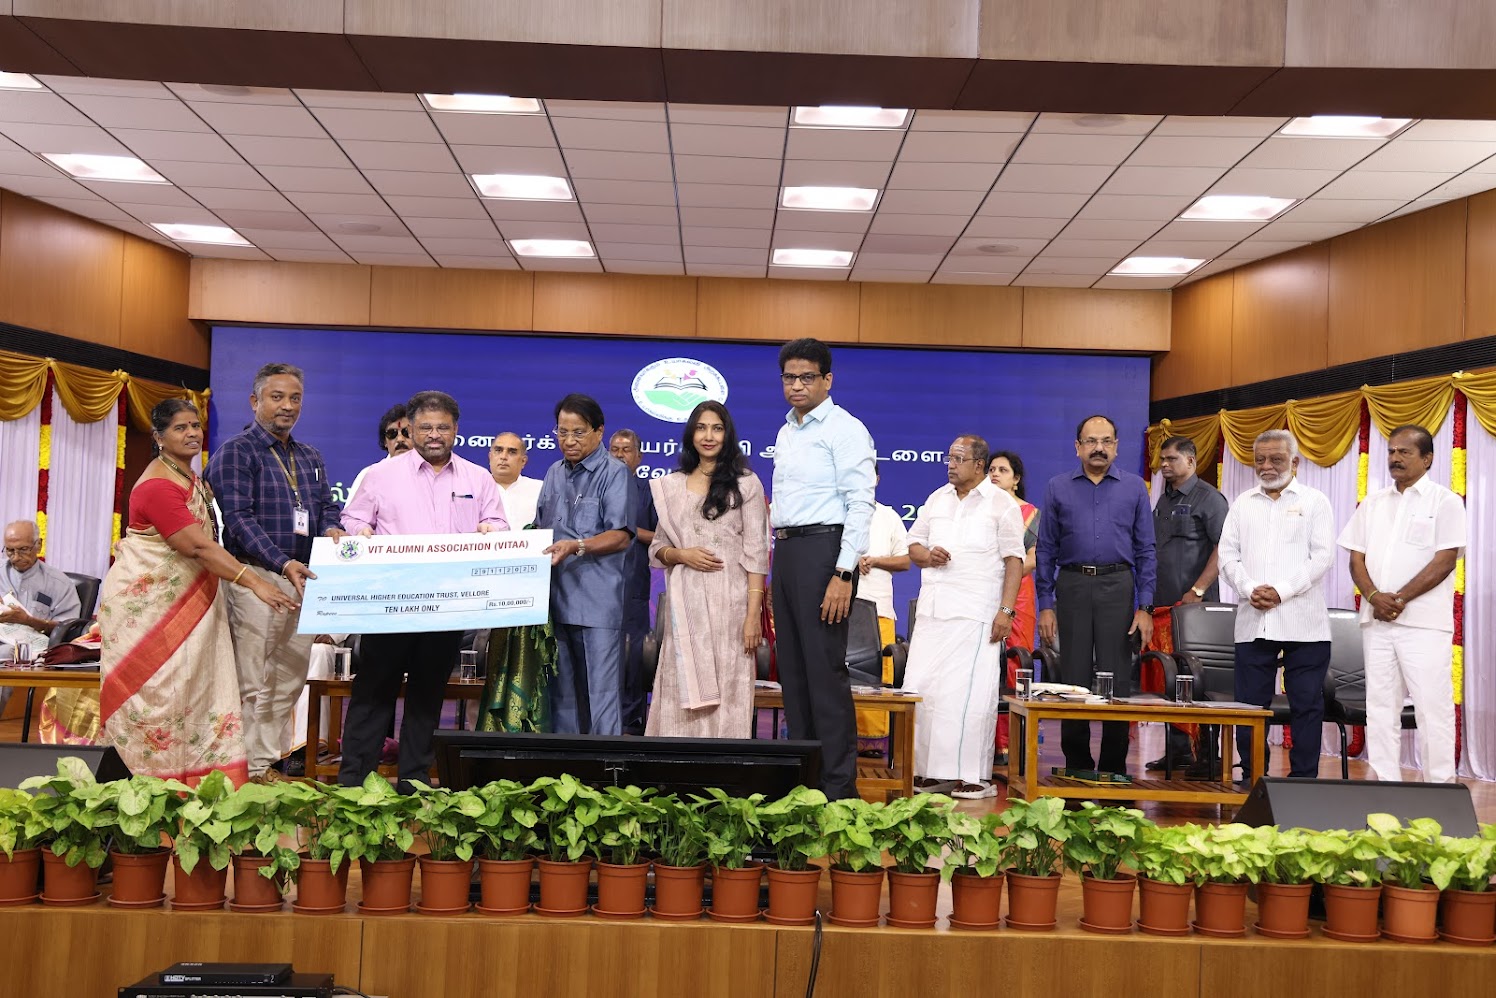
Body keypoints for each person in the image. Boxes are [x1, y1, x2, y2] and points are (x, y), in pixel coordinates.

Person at [99, 399, 298, 786]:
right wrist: (256, 582)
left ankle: (199, 786)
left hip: (194, 602)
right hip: (151, 608)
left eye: (195, 425)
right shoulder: (157, 485)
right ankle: (152, 788)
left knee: (193, 690)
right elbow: (198, 547)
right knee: (160, 693)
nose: (192, 433)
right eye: (180, 428)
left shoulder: (190, 478)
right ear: (158, 437)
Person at [340, 390, 505, 790]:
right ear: (410, 429)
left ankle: (413, 782)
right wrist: (360, 532)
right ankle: (355, 784)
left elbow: (499, 524)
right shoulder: (380, 475)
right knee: (373, 692)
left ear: (456, 430)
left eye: (442, 427)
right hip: (390, 604)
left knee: (427, 696)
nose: (434, 435)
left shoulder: (477, 478)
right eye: (426, 427)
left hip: (448, 606)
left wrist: (490, 530)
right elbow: (352, 518)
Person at [206, 363, 343, 783]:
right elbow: (238, 520)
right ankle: (232, 771)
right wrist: (282, 563)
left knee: (287, 680)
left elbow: (326, 507)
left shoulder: (309, 455)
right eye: (277, 397)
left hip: (304, 581)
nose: (287, 406)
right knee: (249, 681)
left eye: (295, 398)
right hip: (255, 578)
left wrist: (332, 528)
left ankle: (260, 766)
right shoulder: (237, 452)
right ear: (255, 401)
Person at [770, 337, 876, 801]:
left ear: (827, 380)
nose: (797, 385)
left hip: (824, 553)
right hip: (787, 551)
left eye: (807, 377)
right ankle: (804, 784)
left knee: (824, 674)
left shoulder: (845, 429)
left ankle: (838, 789)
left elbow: (860, 503)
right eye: (789, 377)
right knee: (793, 675)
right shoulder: (786, 431)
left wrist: (843, 572)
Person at [1338, 424, 1466, 784]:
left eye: (1404, 452)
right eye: (1392, 451)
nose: (1395, 458)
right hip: (1377, 623)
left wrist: (1399, 599)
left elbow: (1445, 560)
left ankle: (1440, 787)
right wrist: (1374, 597)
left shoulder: (1445, 502)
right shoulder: (1373, 503)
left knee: (1432, 708)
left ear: (1427, 459)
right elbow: (1356, 558)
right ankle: (1385, 785)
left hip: (1424, 624)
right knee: (1380, 707)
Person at [905, 435, 1025, 799]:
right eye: (949, 458)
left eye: (958, 459)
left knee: (969, 698)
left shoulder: (1001, 504)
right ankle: (930, 772)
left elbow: (1014, 560)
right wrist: (927, 556)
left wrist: (1006, 610)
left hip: (976, 615)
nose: (950, 465)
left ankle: (974, 777)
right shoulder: (937, 498)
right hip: (933, 613)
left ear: (978, 465)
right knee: (924, 690)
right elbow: (913, 545)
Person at [1036, 415, 1156, 778]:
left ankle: (1114, 768)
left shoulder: (1134, 488)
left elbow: (1146, 550)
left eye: (1106, 441)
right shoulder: (1058, 487)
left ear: (1116, 446)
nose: (1098, 448)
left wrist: (1145, 606)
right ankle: (1077, 767)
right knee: (1072, 679)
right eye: (1091, 441)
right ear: (1078, 447)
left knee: (1116, 679)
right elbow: (1046, 549)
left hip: (1118, 587)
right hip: (1072, 586)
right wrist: (1045, 605)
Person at [646, 401, 769, 737]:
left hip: (732, 605)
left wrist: (752, 616)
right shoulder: (672, 486)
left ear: (727, 435)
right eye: (701, 428)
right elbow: (657, 549)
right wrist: (682, 554)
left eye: (717, 428)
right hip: (686, 607)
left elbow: (757, 554)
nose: (708, 436)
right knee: (680, 682)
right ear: (691, 434)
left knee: (729, 683)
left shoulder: (747, 484)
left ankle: (725, 762)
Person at [1218, 429, 1334, 780]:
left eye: (1276, 459)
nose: (1266, 466)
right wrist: (1249, 588)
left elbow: (1322, 557)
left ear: (1295, 462)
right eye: (1260, 460)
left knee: (1307, 706)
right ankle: (1254, 780)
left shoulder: (1315, 501)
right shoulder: (1242, 503)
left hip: (1305, 623)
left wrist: (1281, 591)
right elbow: (1227, 556)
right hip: (1254, 621)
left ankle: (1303, 783)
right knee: (1250, 708)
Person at [535, 394, 634, 735]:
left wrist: (577, 546)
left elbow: (621, 535)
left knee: (601, 696)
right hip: (554, 601)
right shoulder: (553, 472)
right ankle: (566, 764)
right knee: (561, 697)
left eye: (578, 432)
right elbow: (539, 529)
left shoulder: (615, 473)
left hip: (597, 604)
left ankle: (606, 766)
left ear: (598, 431)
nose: (569, 441)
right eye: (562, 432)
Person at [1149, 434, 1230, 775]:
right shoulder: (1163, 500)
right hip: (1163, 608)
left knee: (1199, 679)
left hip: (1196, 610)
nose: (1164, 465)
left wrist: (1198, 589)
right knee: (1170, 678)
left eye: (1171, 459)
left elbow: (1225, 547)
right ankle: (1178, 750)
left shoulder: (1209, 498)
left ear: (1191, 461)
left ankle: (1209, 755)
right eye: (1162, 460)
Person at [853, 464, 911, 756]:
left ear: (877, 479)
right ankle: (840, 736)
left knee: (878, 671)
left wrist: (875, 561)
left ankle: (873, 741)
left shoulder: (889, 516)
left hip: (879, 607)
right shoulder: (836, 513)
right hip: (840, 606)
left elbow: (905, 561)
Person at [0, 519, 83, 714]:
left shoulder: (59, 583)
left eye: (23, 549)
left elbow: (69, 627)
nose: (16, 557)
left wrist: (29, 621)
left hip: (32, 648)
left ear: (38, 545)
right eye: (10, 551)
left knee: (7, 653)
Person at [987, 449, 1038, 765]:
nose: (994, 474)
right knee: (985, 669)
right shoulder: (981, 510)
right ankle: (985, 741)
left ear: (1016, 479)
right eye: (991, 469)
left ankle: (1011, 743)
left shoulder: (1030, 514)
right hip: (984, 593)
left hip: (1018, 596)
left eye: (1002, 470)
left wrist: (1005, 575)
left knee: (1014, 665)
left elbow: (1032, 558)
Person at [610, 428, 659, 735]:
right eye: (614, 449)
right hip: (596, 588)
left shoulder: (648, 491)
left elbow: (662, 537)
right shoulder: (597, 487)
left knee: (633, 658)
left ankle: (631, 725)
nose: (619, 455)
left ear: (638, 457)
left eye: (626, 450)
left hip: (633, 588)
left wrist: (629, 532)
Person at [346, 403, 412, 503]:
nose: (400, 439)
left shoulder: (430, 473)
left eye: (406, 432)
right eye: (392, 434)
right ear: (385, 441)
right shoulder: (369, 475)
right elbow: (353, 513)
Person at [489, 431, 543, 529]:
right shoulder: (476, 488)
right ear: (490, 457)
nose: (503, 457)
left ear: (523, 461)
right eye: (498, 450)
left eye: (512, 452)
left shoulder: (540, 489)